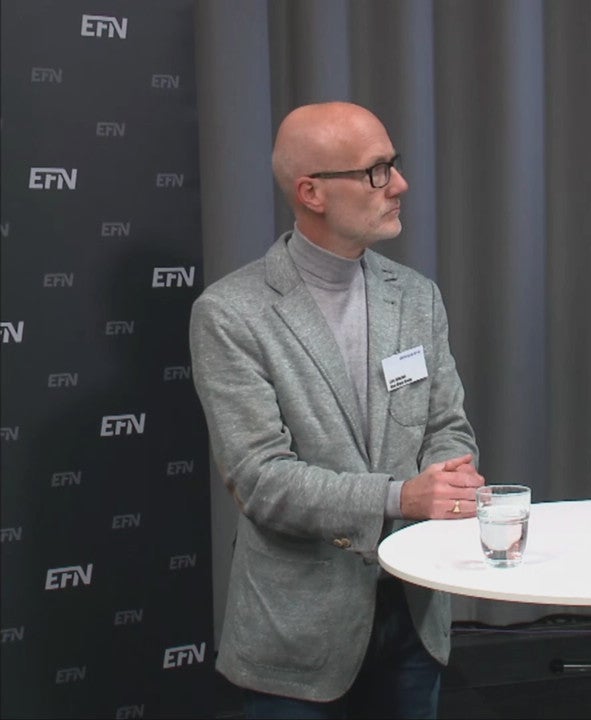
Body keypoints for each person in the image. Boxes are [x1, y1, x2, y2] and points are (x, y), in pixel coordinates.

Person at [190, 101, 485, 719]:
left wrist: (450, 479)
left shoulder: (417, 297)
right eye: (376, 171)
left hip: (413, 619)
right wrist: (402, 497)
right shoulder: (232, 313)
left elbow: (446, 426)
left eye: (393, 165)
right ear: (312, 192)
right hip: (297, 637)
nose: (399, 184)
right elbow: (261, 481)